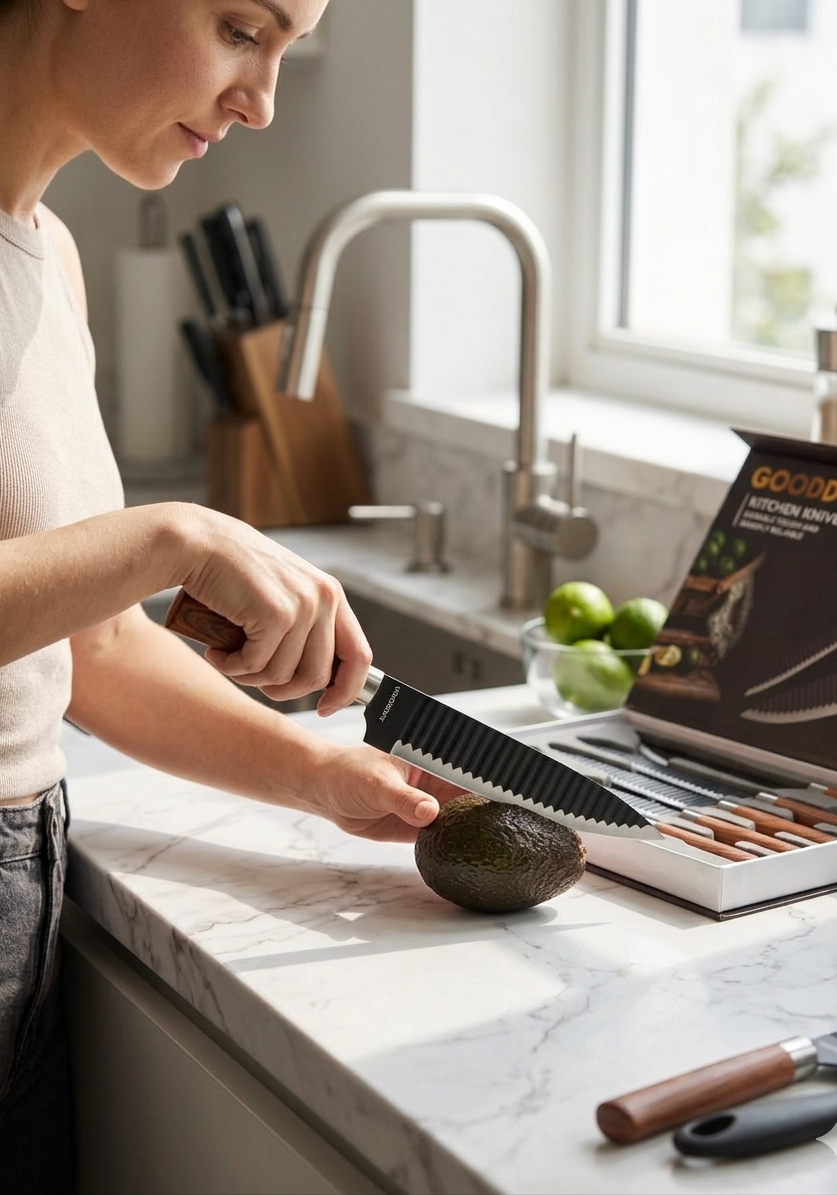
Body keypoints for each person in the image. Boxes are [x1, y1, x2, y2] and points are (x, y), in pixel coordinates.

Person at [0, 2, 460, 1189]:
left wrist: (315, 771)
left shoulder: (47, 257)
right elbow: (125, 573)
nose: (261, 102)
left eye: (286, 50)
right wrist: (172, 536)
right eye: (241, 27)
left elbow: (90, 647)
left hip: (22, 880)